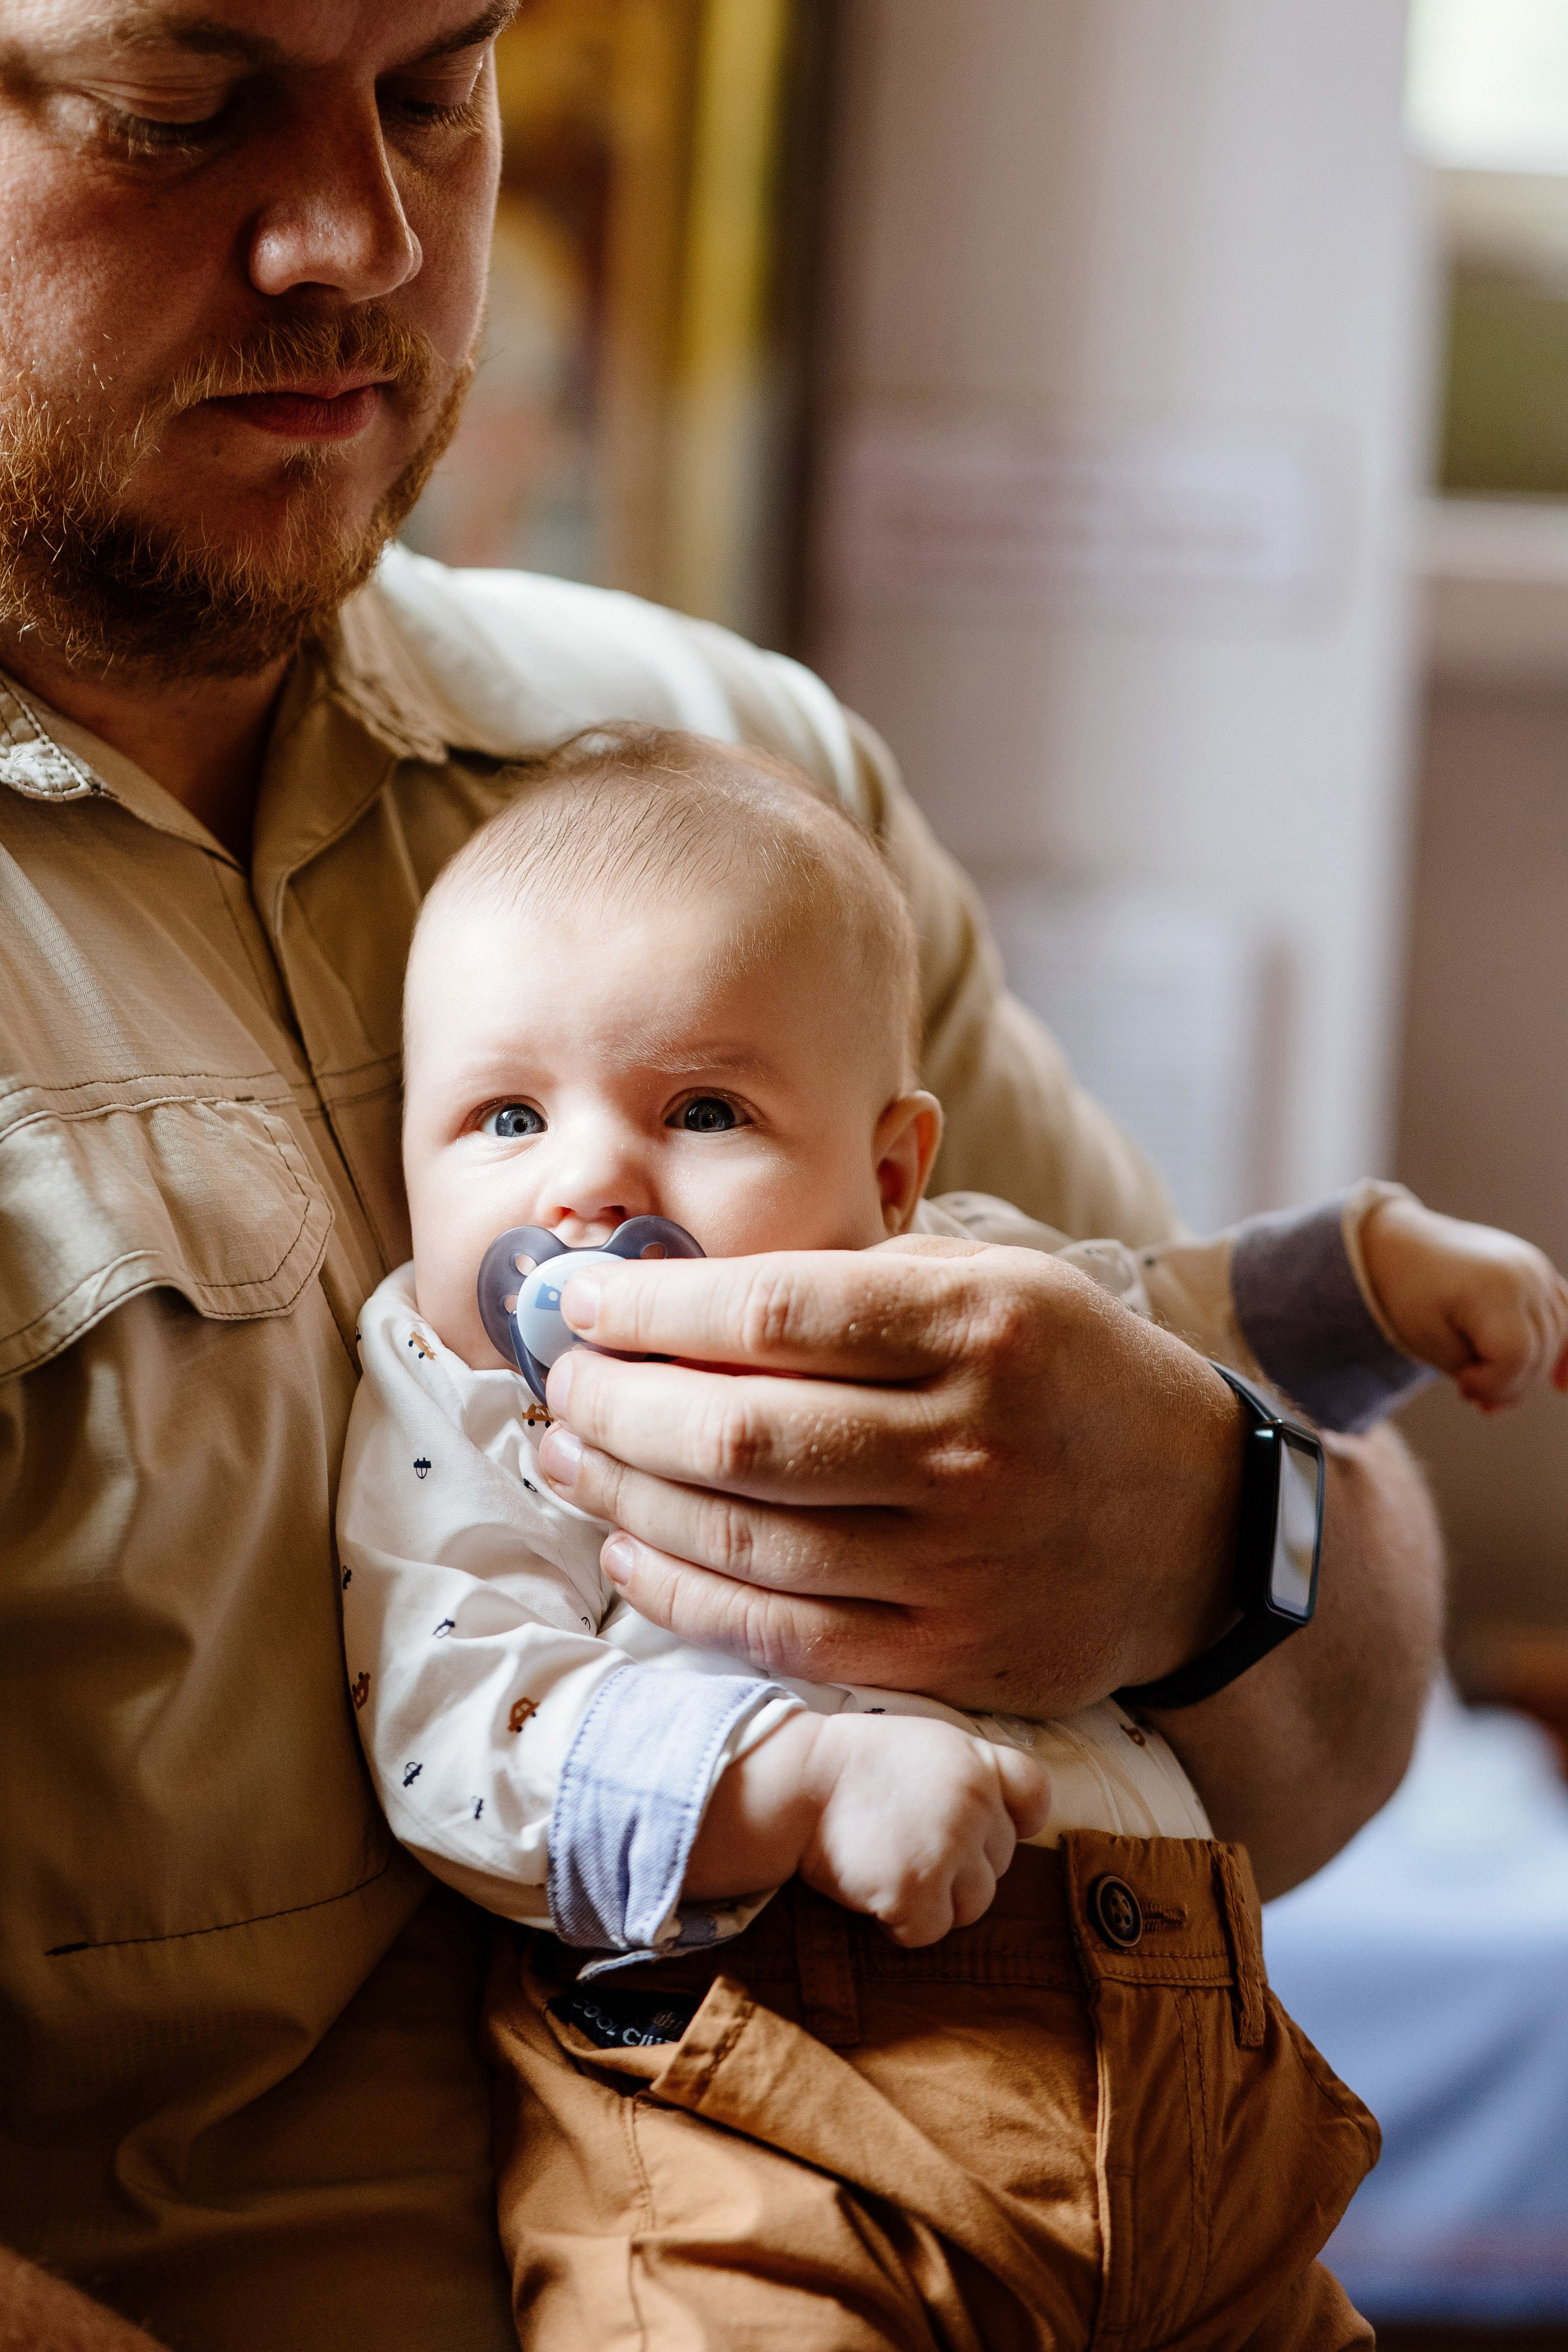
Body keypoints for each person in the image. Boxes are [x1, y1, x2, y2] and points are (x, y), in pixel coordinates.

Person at [0, 4, 1447, 2347]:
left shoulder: (742, 781)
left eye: (437, 86)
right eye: (179, 111)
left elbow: (1348, 1720)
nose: (360, 233)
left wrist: (1213, 1530)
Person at [338, 726, 1568, 2350]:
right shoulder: (473, 1405)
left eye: (702, 1107)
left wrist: (1372, 1277)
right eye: (504, 1118)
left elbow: (1174, 1321)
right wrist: (792, 1782)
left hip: (1191, 2083)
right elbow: (457, 1722)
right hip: (766, 2100)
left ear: (890, 1172)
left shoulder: (953, 1287)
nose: (587, 1184)